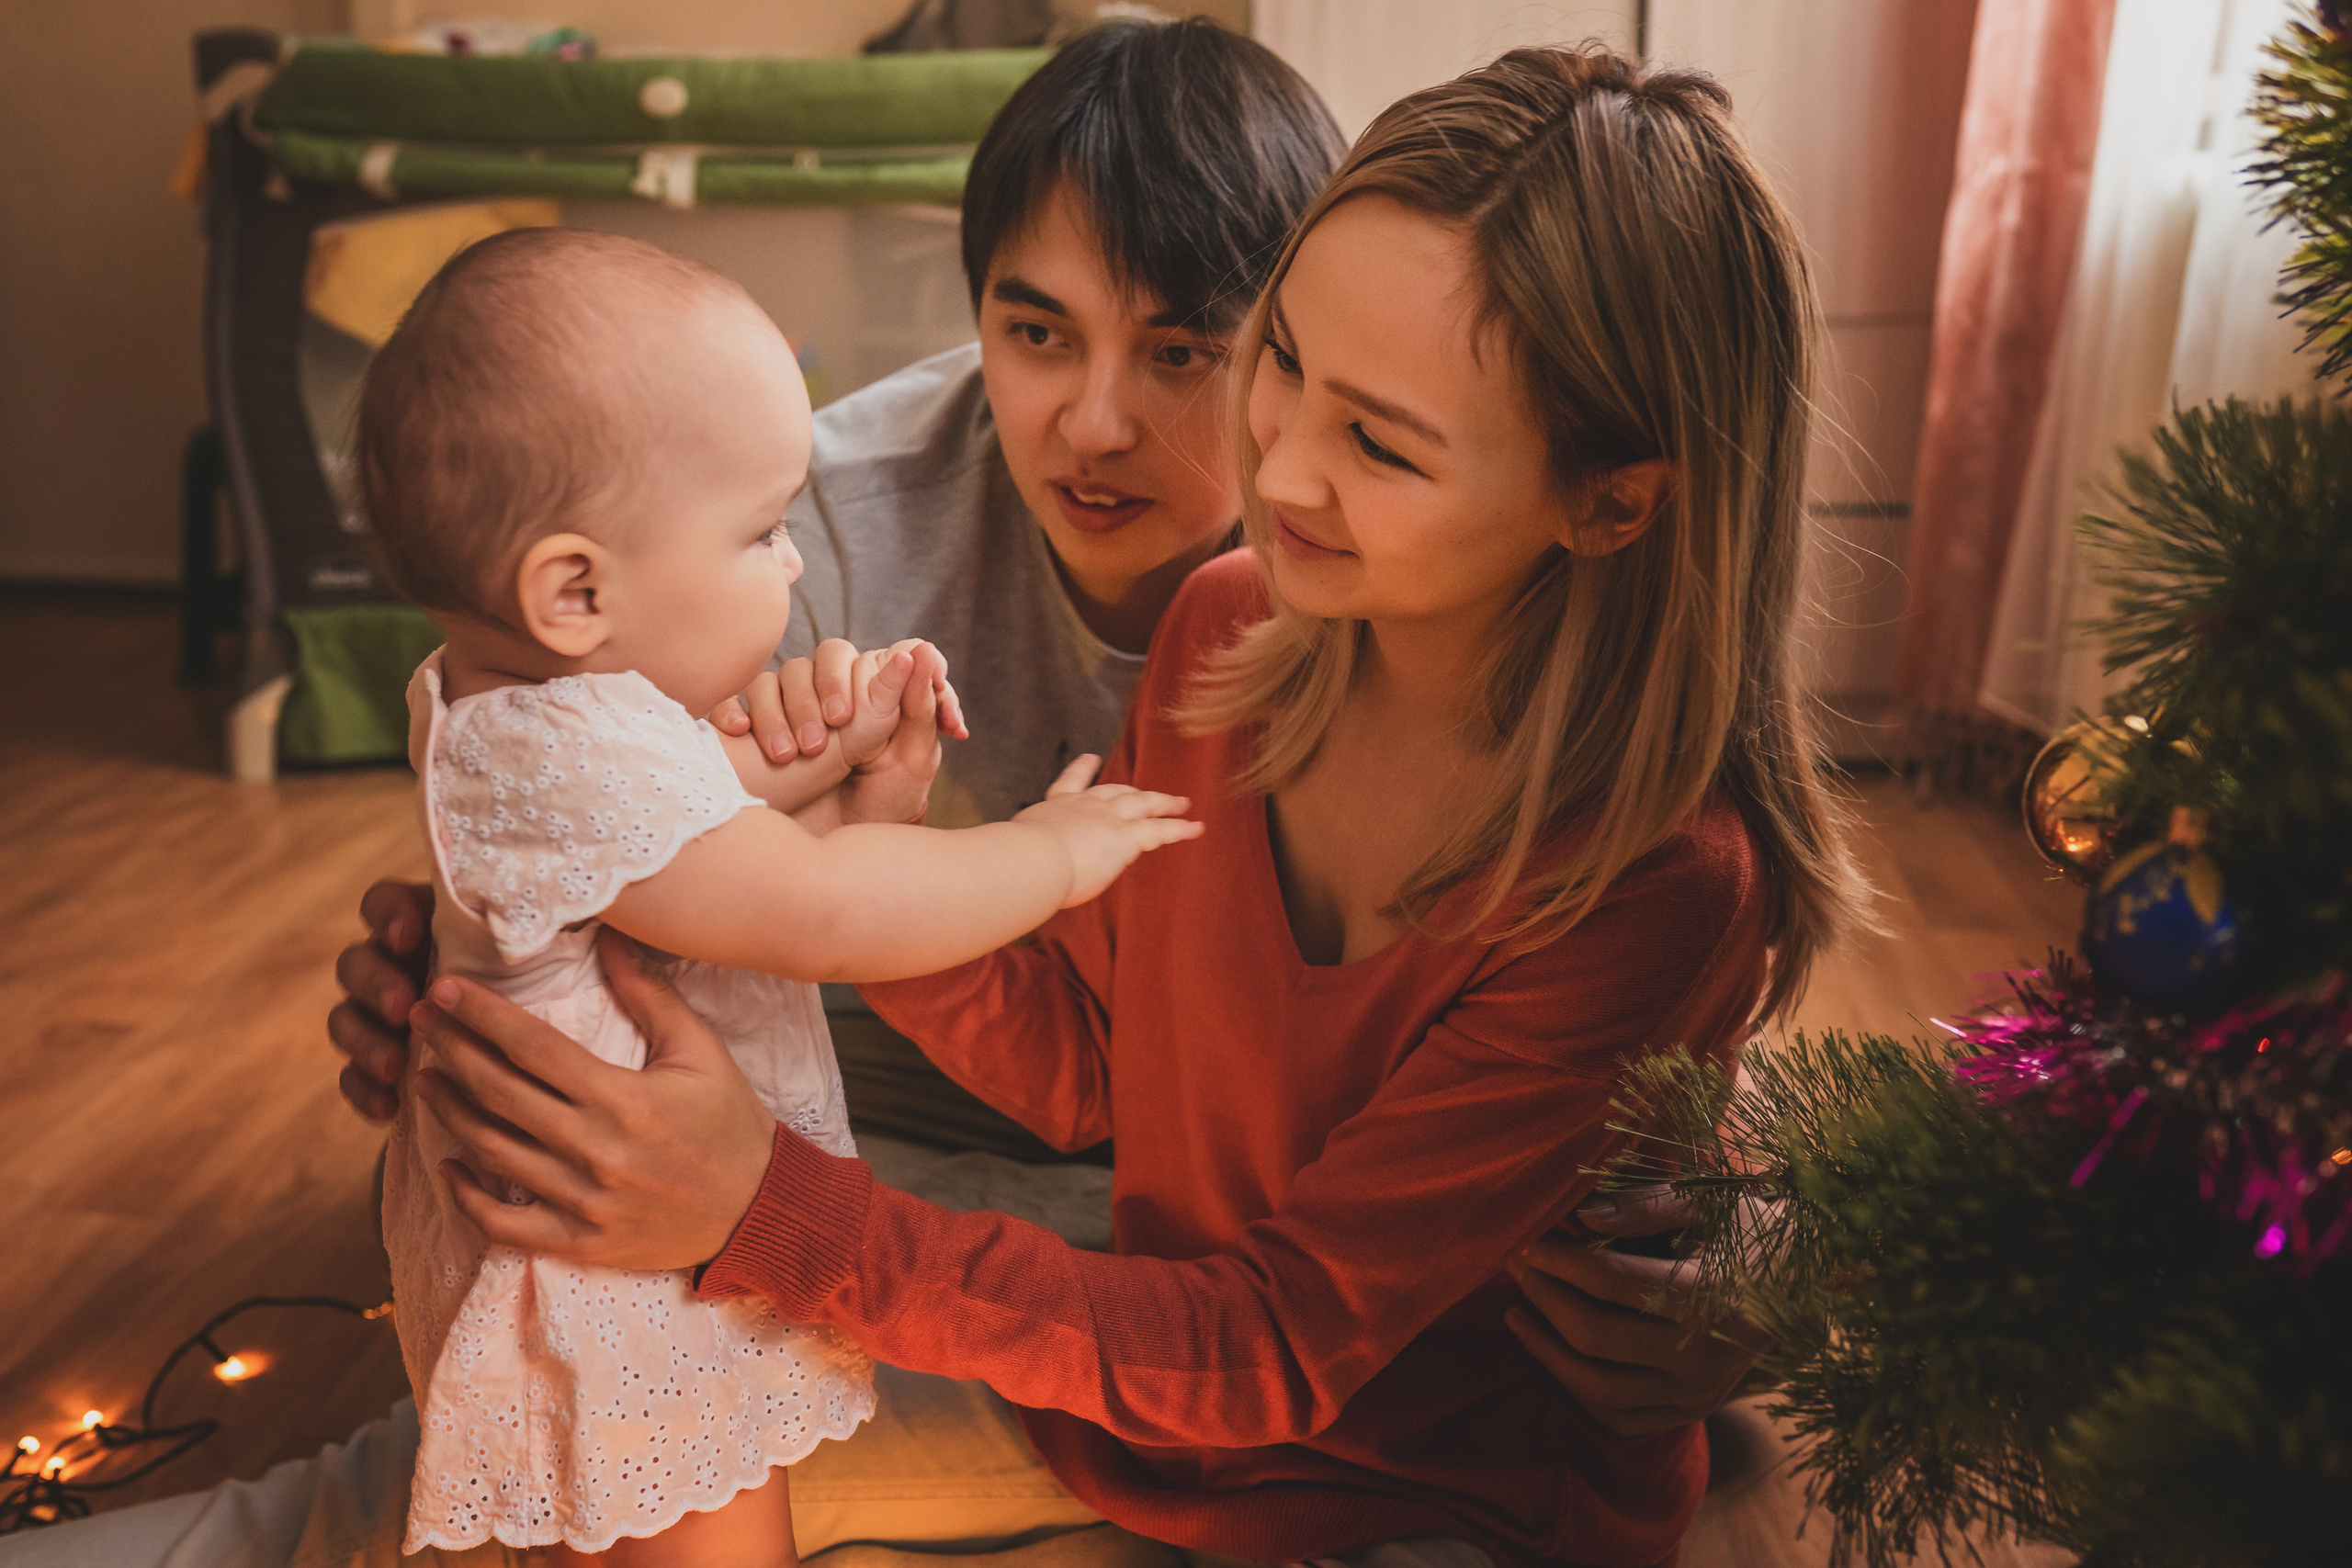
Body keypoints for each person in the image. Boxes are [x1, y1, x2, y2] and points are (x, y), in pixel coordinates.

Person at [379, 43, 1868, 1568]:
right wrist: (848, 857)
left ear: (1613, 500)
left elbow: (1279, 1350)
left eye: (1380, 441)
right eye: (1284, 362)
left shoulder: (1658, 882)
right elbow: (1096, 1070)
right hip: (1124, 1404)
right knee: (560, 1460)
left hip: (1423, 1502)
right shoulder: (1235, 626)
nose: (1277, 464)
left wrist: (770, 1208)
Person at [356, 226, 1196, 1565]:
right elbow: (819, 908)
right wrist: (1057, 847)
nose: (796, 566)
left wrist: (818, 754)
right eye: (759, 534)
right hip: (629, 1268)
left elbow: (686, 805)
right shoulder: (566, 751)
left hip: (616, 1226)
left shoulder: (513, 702)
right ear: (575, 589)